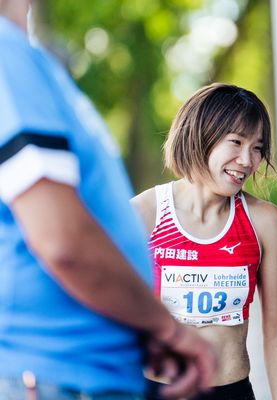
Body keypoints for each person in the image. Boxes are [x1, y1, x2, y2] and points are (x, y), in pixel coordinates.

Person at [0, 1, 216, 399]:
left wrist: (137, 323)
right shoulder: (6, 56)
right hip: (50, 375)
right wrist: (164, 327)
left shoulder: (29, 62)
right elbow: (62, 241)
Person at [131, 83, 277, 400]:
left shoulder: (264, 222)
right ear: (200, 136)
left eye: (258, 148)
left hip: (230, 391)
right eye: (236, 142)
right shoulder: (145, 214)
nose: (247, 160)